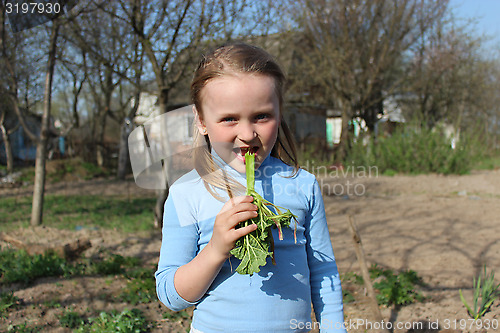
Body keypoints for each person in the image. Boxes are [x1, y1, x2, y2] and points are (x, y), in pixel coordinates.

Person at [155, 43, 346, 332]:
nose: (247, 134)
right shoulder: (186, 194)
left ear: (280, 114)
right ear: (201, 120)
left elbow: (323, 272)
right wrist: (216, 249)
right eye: (229, 118)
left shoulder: (302, 184)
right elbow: (171, 296)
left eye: (261, 116)